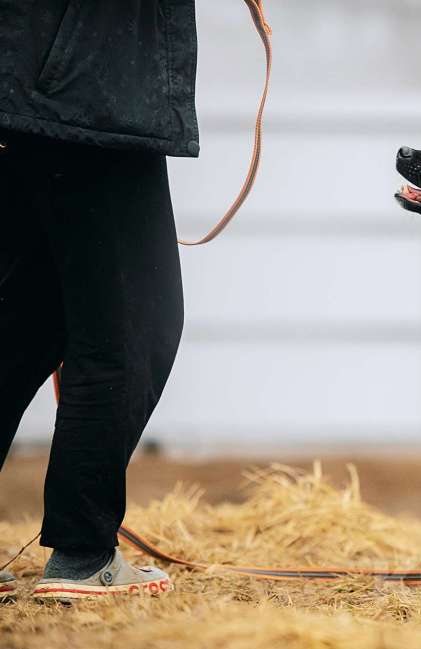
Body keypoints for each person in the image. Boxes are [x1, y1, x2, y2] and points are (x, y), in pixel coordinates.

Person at [0, 1, 198, 601]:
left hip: (36, 82)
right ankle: (84, 553)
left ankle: (81, 548)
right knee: (132, 328)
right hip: (88, 88)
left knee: (26, 324)